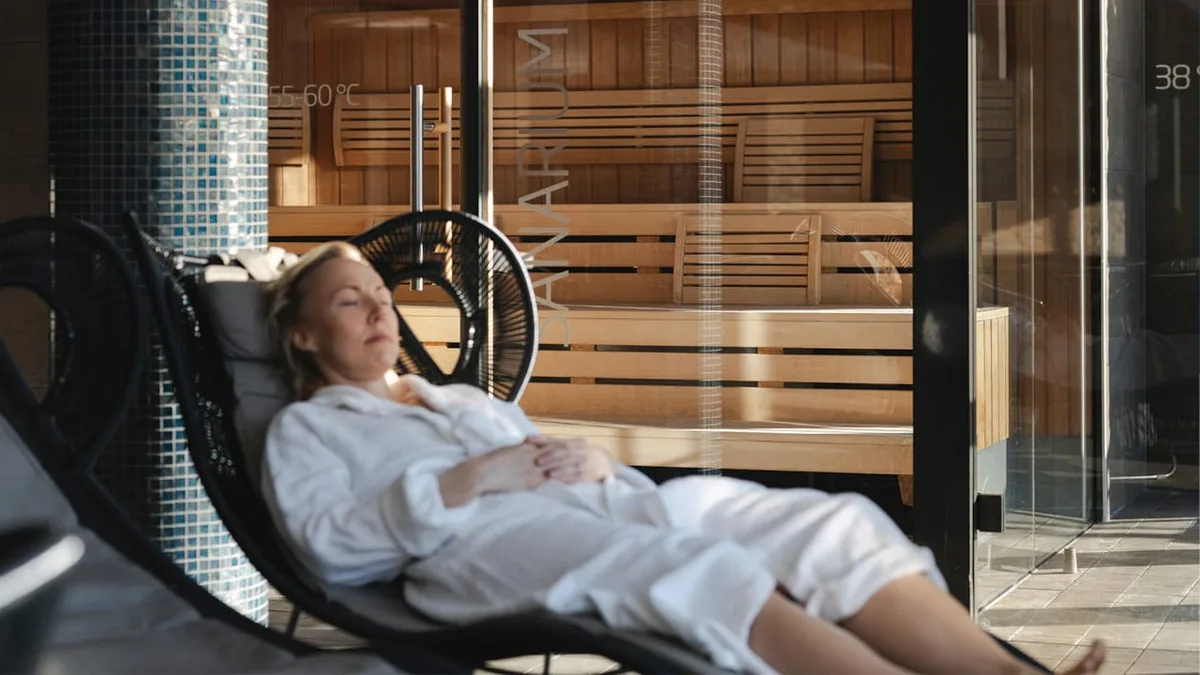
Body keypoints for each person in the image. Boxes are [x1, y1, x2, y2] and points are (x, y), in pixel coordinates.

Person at [260, 242, 1106, 675]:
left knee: (822, 521)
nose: (380, 310)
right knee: (696, 562)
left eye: (381, 294)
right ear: (303, 334)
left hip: (598, 504)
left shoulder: (454, 397)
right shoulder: (308, 431)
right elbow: (328, 543)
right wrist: (472, 478)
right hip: (470, 550)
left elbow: (536, 450)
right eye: (349, 300)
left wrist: (591, 462)